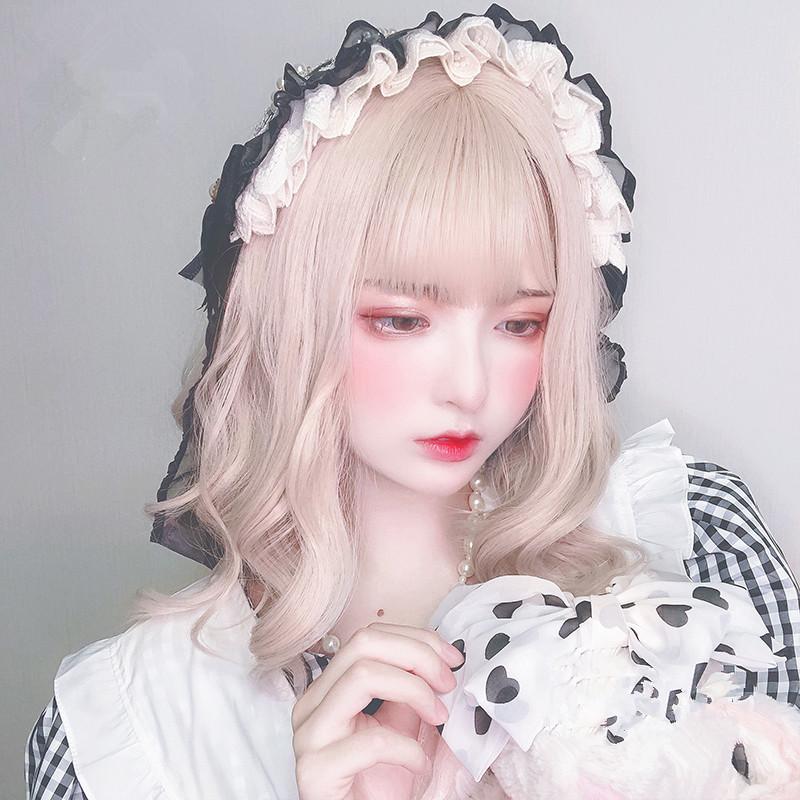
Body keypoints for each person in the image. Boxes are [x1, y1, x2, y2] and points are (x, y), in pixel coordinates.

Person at [24, 5, 800, 799]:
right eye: (401, 319)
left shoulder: (692, 545)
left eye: (519, 324)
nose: (468, 385)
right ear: (294, 316)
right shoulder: (122, 732)